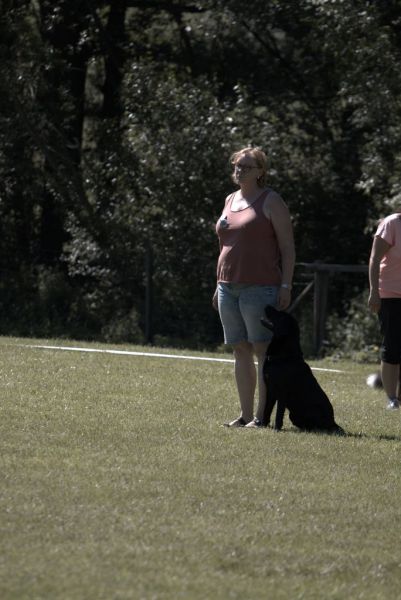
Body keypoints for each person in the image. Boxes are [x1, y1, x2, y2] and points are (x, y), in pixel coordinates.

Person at [213, 146, 295, 428]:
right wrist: (218, 284)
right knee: (240, 349)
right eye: (237, 165)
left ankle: (261, 418)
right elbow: (225, 246)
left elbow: (288, 248)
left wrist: (286, 285)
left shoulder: (272, 201)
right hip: (227, 286)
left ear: (261, 171)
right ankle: (245, 415)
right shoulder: (230, 199)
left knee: (262, 351)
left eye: (246, 167)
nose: (240, 170)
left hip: (260, 287)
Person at [368, 212, 401, 410]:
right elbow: (375, 258)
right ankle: (392, 399)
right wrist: (374, 292)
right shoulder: (392, 224)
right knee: (393, 346)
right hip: (390, 294)